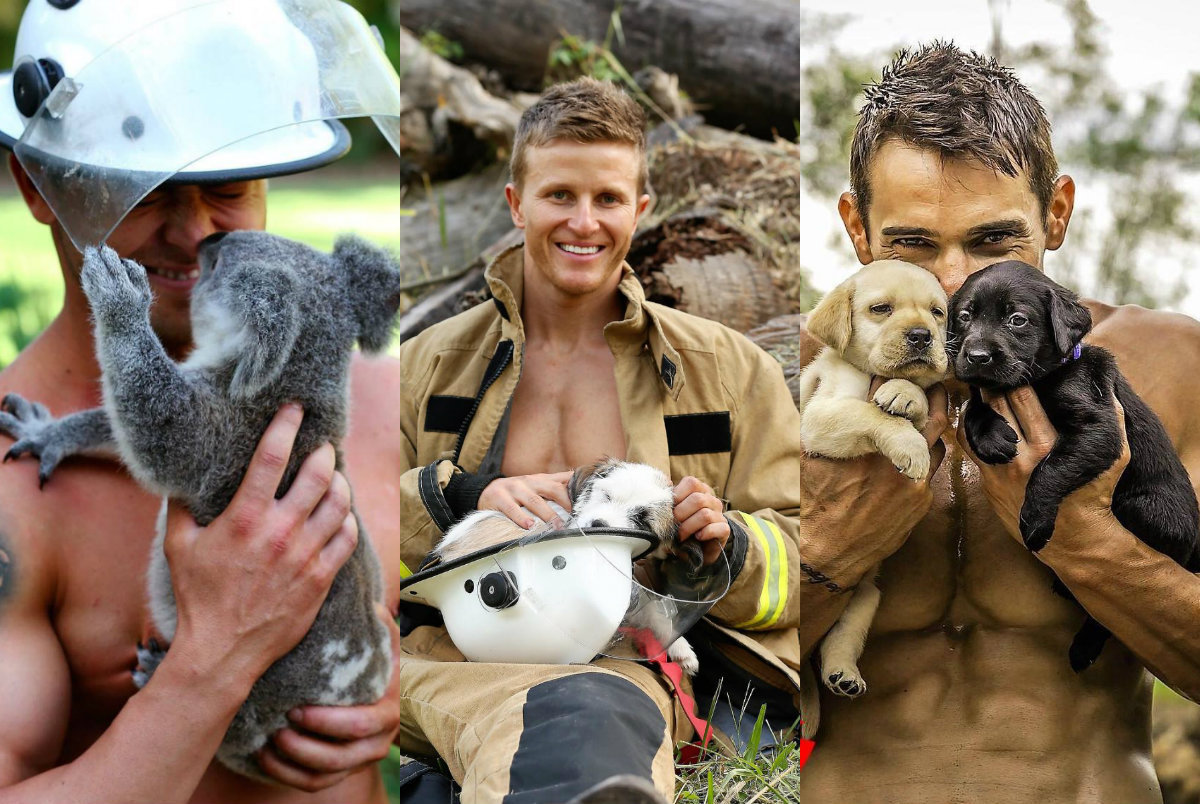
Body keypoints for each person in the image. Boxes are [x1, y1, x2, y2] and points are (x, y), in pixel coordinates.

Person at [0, 1, 410, 801]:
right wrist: (211, 666)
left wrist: (397, 686)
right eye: (148, 192)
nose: (194, 233)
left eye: (227, 184)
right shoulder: (14, 488)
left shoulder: (379, 395)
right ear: (39, 183)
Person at [793, 42, 1200, 803]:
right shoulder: (809, 381)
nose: (954, 285)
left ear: (1057, 213)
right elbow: (713, 670)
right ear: (855, 226)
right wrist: (830, 555)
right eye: (912, 244)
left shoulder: (1172, 366)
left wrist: (1090, 545)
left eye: (992, 240)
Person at [394, 76, 805, 804]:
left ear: (641, 210)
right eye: (559, 195)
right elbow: (350, 518)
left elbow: (811, 558)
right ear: (516, 202)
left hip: (627, 667)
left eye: (609, 199)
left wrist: (726, 549)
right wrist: (459, 495)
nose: (584, 222)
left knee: (586, 720)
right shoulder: (427, 365)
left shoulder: (730, 373)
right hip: (443, 659)